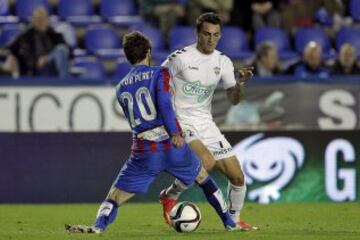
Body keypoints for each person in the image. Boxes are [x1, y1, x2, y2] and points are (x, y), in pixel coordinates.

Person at [65, 31, 241, 234]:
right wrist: (175, 132)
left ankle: (98, 226)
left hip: (145, 151)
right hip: (172, 144)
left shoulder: (121, 87)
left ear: (128, 57)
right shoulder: (160, 73)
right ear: (148, 52)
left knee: (115, 196)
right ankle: (229, 222)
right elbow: (165, 104)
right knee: (203, 178)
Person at [159, 12, 258, 231]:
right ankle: (170, 195)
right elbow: (158, 83)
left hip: (206, 123)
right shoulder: (180, 58)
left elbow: (234, 100)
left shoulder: (223, 61)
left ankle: (235, 219)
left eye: (215, 35)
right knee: (207, 162)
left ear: (220, 36)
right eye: (206, 34)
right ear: (197, 34)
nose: (211, 39)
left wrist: (238, 84)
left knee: (238, 177)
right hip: (181, 120)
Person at [6, 6, 69, 77]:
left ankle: (63, 79)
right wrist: (35, 61)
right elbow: (10, 49)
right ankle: (64, 81)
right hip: (35, 70)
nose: (41, 22)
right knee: (60, 49)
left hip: (52, 67)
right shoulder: (25, 37)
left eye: (43, 19)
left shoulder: (54, 34)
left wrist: (46, 58)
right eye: (38, 19)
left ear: (47, 20)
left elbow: (68, 52)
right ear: (32, 20)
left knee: (61, 49)